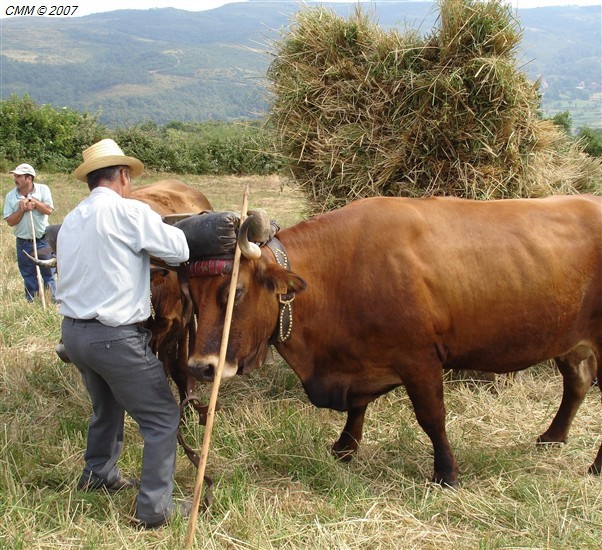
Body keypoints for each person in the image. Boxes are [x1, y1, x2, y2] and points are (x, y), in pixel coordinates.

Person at [56, 139, 191, 529]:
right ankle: (154, 508)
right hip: (115, 337)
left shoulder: (71, 219)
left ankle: (98, 475)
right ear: (123, 176)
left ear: (90, 181)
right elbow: (179, 249)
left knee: (107, 408)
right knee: (162, 417)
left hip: (75, 335)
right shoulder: (129, 212)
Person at [3, 163, 57, 302]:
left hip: (42, 239)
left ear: (29, 178)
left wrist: (33, 202)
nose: (15, 178)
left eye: (19, 176)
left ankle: (52, 301)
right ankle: (31, 301)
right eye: (15, 175)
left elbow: (49, 210)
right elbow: (10, 221)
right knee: (28, 273)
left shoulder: (43, 190)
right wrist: (21, 209)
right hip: (23, 241)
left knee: (48, 273)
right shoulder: (11, 196)